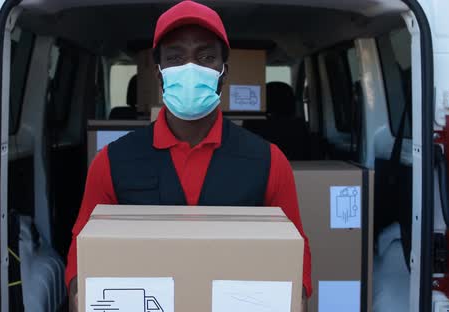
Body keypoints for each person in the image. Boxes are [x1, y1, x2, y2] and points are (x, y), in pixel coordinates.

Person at [66, 1, 311, 310]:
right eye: (175, 57)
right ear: (159, 73)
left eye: (206, 56)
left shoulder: (269, 162)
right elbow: (81, 253)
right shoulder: (111, 162)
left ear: (224, 72)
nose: (191, 68)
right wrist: (80, 294)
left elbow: (297, 258)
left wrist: (297, 299)